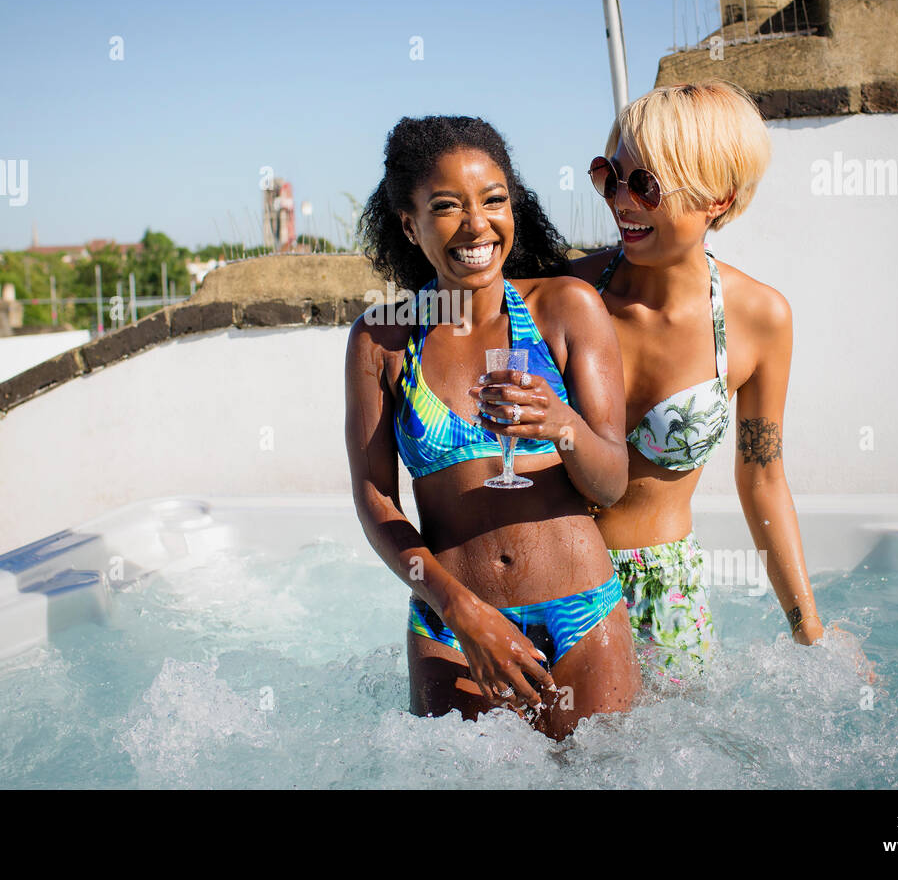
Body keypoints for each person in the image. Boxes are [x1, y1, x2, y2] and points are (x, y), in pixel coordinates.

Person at [345, 114, 640, 739]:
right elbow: (375, 500)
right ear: (409, 223)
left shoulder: (564, 308)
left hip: (580, 613)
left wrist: (564, 426)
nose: (477, 225)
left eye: (494, 200)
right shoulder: (383, 339)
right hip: (453, 626)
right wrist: (458, 608)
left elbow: (612, 483)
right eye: (448, 206)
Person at [570, 81, 868, 685]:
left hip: (664, 596)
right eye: (610, 175)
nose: (621, 201)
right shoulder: (563, 292)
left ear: (718, 198)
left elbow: (762, 478)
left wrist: (808, 627)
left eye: (645, 185)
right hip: (555, 574)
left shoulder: (760, 318)